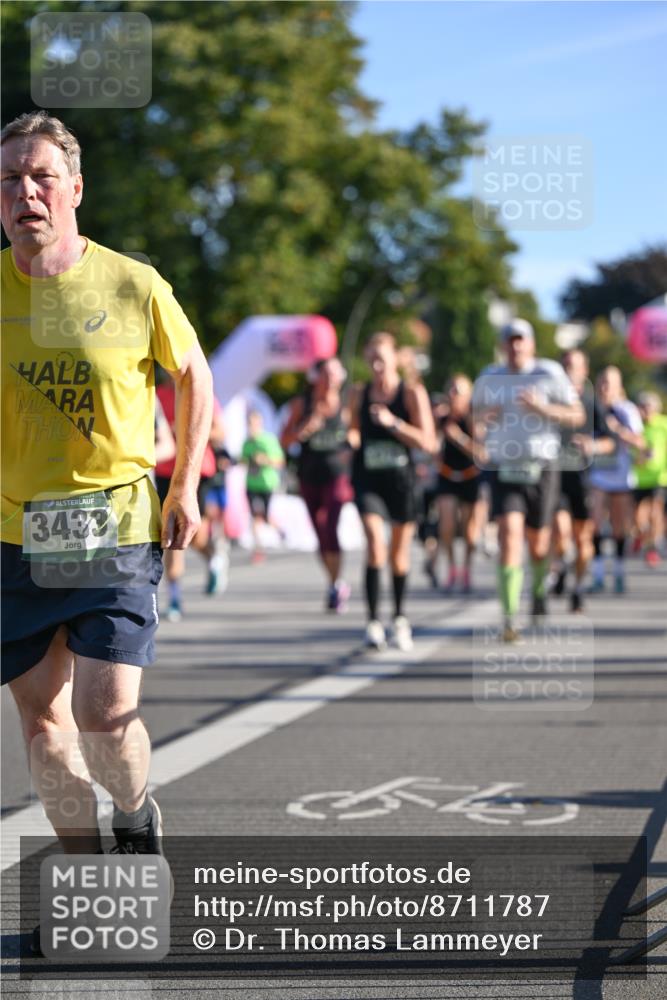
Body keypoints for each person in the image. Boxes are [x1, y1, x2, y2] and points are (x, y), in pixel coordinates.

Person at [0, 111, 213, 893]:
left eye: (41, 176)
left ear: (75, 188)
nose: (25, 191)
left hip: (115, 527)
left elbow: (193, 377)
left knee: (102, 714)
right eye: (9, 179)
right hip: (15, 539)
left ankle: (132, 809)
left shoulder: (133, 283)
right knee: (42, 727)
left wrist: (185, 484)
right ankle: (91, 881)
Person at [472, 319, 584, 642]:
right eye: (510, 340)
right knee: (509, 535)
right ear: (502, 344)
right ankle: (509, 618)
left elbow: (576, 416)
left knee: (538, 543)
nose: (515, 346)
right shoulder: (489, 377)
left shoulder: (548, 373)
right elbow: (473, 419)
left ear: (531, 344)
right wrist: (484, 418)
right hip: (504, 466)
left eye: (521, 340)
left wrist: (542, 408)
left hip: (542, 467)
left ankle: (538, 589)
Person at [349, 332, 436, 651]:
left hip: (401, 482)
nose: (376, 366)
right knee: (375, 544)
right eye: (371, 359)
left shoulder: (411, 393)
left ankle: (399, 618)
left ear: (395, 359)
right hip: (368, 479)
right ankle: (372, 622)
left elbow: (428, 441)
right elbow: (353, 429)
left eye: (381, 359)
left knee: (399, 556)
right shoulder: (360, 393)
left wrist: (392, 423)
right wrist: (351, 440)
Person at [281, 357, 353, 611]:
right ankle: (334, 582)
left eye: (336, 373)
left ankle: (336, 584)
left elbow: (357, 433)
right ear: (316, 377)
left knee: (329, 524)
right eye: (326, 373)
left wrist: (351, 445)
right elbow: (285, 441)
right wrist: (304, 430)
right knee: (319, 533)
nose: (331, 378)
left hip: (337, 474)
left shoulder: (346, 405)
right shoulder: (303, 404)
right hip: (309, 474)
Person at [155, 376, 227, 618]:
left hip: (195, 471)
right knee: (171, 532)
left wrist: (188, 429)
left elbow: (219, 432)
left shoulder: (199, 389)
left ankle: (212, 556)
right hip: (164, 469)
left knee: (192, 533)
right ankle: (174, 596)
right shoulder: (154, 392)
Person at [549, 349, 614, 612]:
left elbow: (610, 442)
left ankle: (577, 587)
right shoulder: (550, 402)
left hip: (582, 480)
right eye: (564, 365)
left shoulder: (591, 403)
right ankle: (561, 565)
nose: (568, 371)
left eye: (573, 366)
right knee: (561, 533)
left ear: (584, 371)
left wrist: (592, 445)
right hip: (555, 478)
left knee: (583, 539)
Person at [588, 367, 645, 593]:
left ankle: (619, 572)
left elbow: (639, 442)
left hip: (620, 475)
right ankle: (598, 574)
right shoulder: (591, 408)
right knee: (595, 524)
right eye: (601, 382)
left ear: (618, 386)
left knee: (619, 527)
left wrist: (618, 430)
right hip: (598, 475)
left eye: (609, 383)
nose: (604, 387)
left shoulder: (626, 410)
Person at [435, 373, 486, 594]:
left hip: (470, 476)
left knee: (469, 531)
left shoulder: (474, 419)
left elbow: (482, 453)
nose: (454, 395)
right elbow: (431, 444)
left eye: (460, 390)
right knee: (446, 525)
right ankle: (451, 568)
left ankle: (466, 569)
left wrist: (459, 438)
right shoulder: (441, 417)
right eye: (452, 390)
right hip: (447, 475)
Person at [241, 409, 285, 562]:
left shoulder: (268, 440)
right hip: (251, 484)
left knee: (265, 516)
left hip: (267, 483)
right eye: (249, 424)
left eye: (254, 423)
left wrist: (265, 460)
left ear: (260, 424)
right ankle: (258, 549)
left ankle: (280, 530)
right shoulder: (247, 442)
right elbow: (243, 460)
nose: (251, 427)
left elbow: (280, 462)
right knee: (254, 517)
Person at [632, 391, 667, 566]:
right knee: (638, 518)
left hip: (659, 477)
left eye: (649, 406)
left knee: (655, 512)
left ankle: (653, 547)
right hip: (638, 478)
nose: (646, 410)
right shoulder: (636, 427)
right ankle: (643, 538)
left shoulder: (663, 424)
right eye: (643, 406)